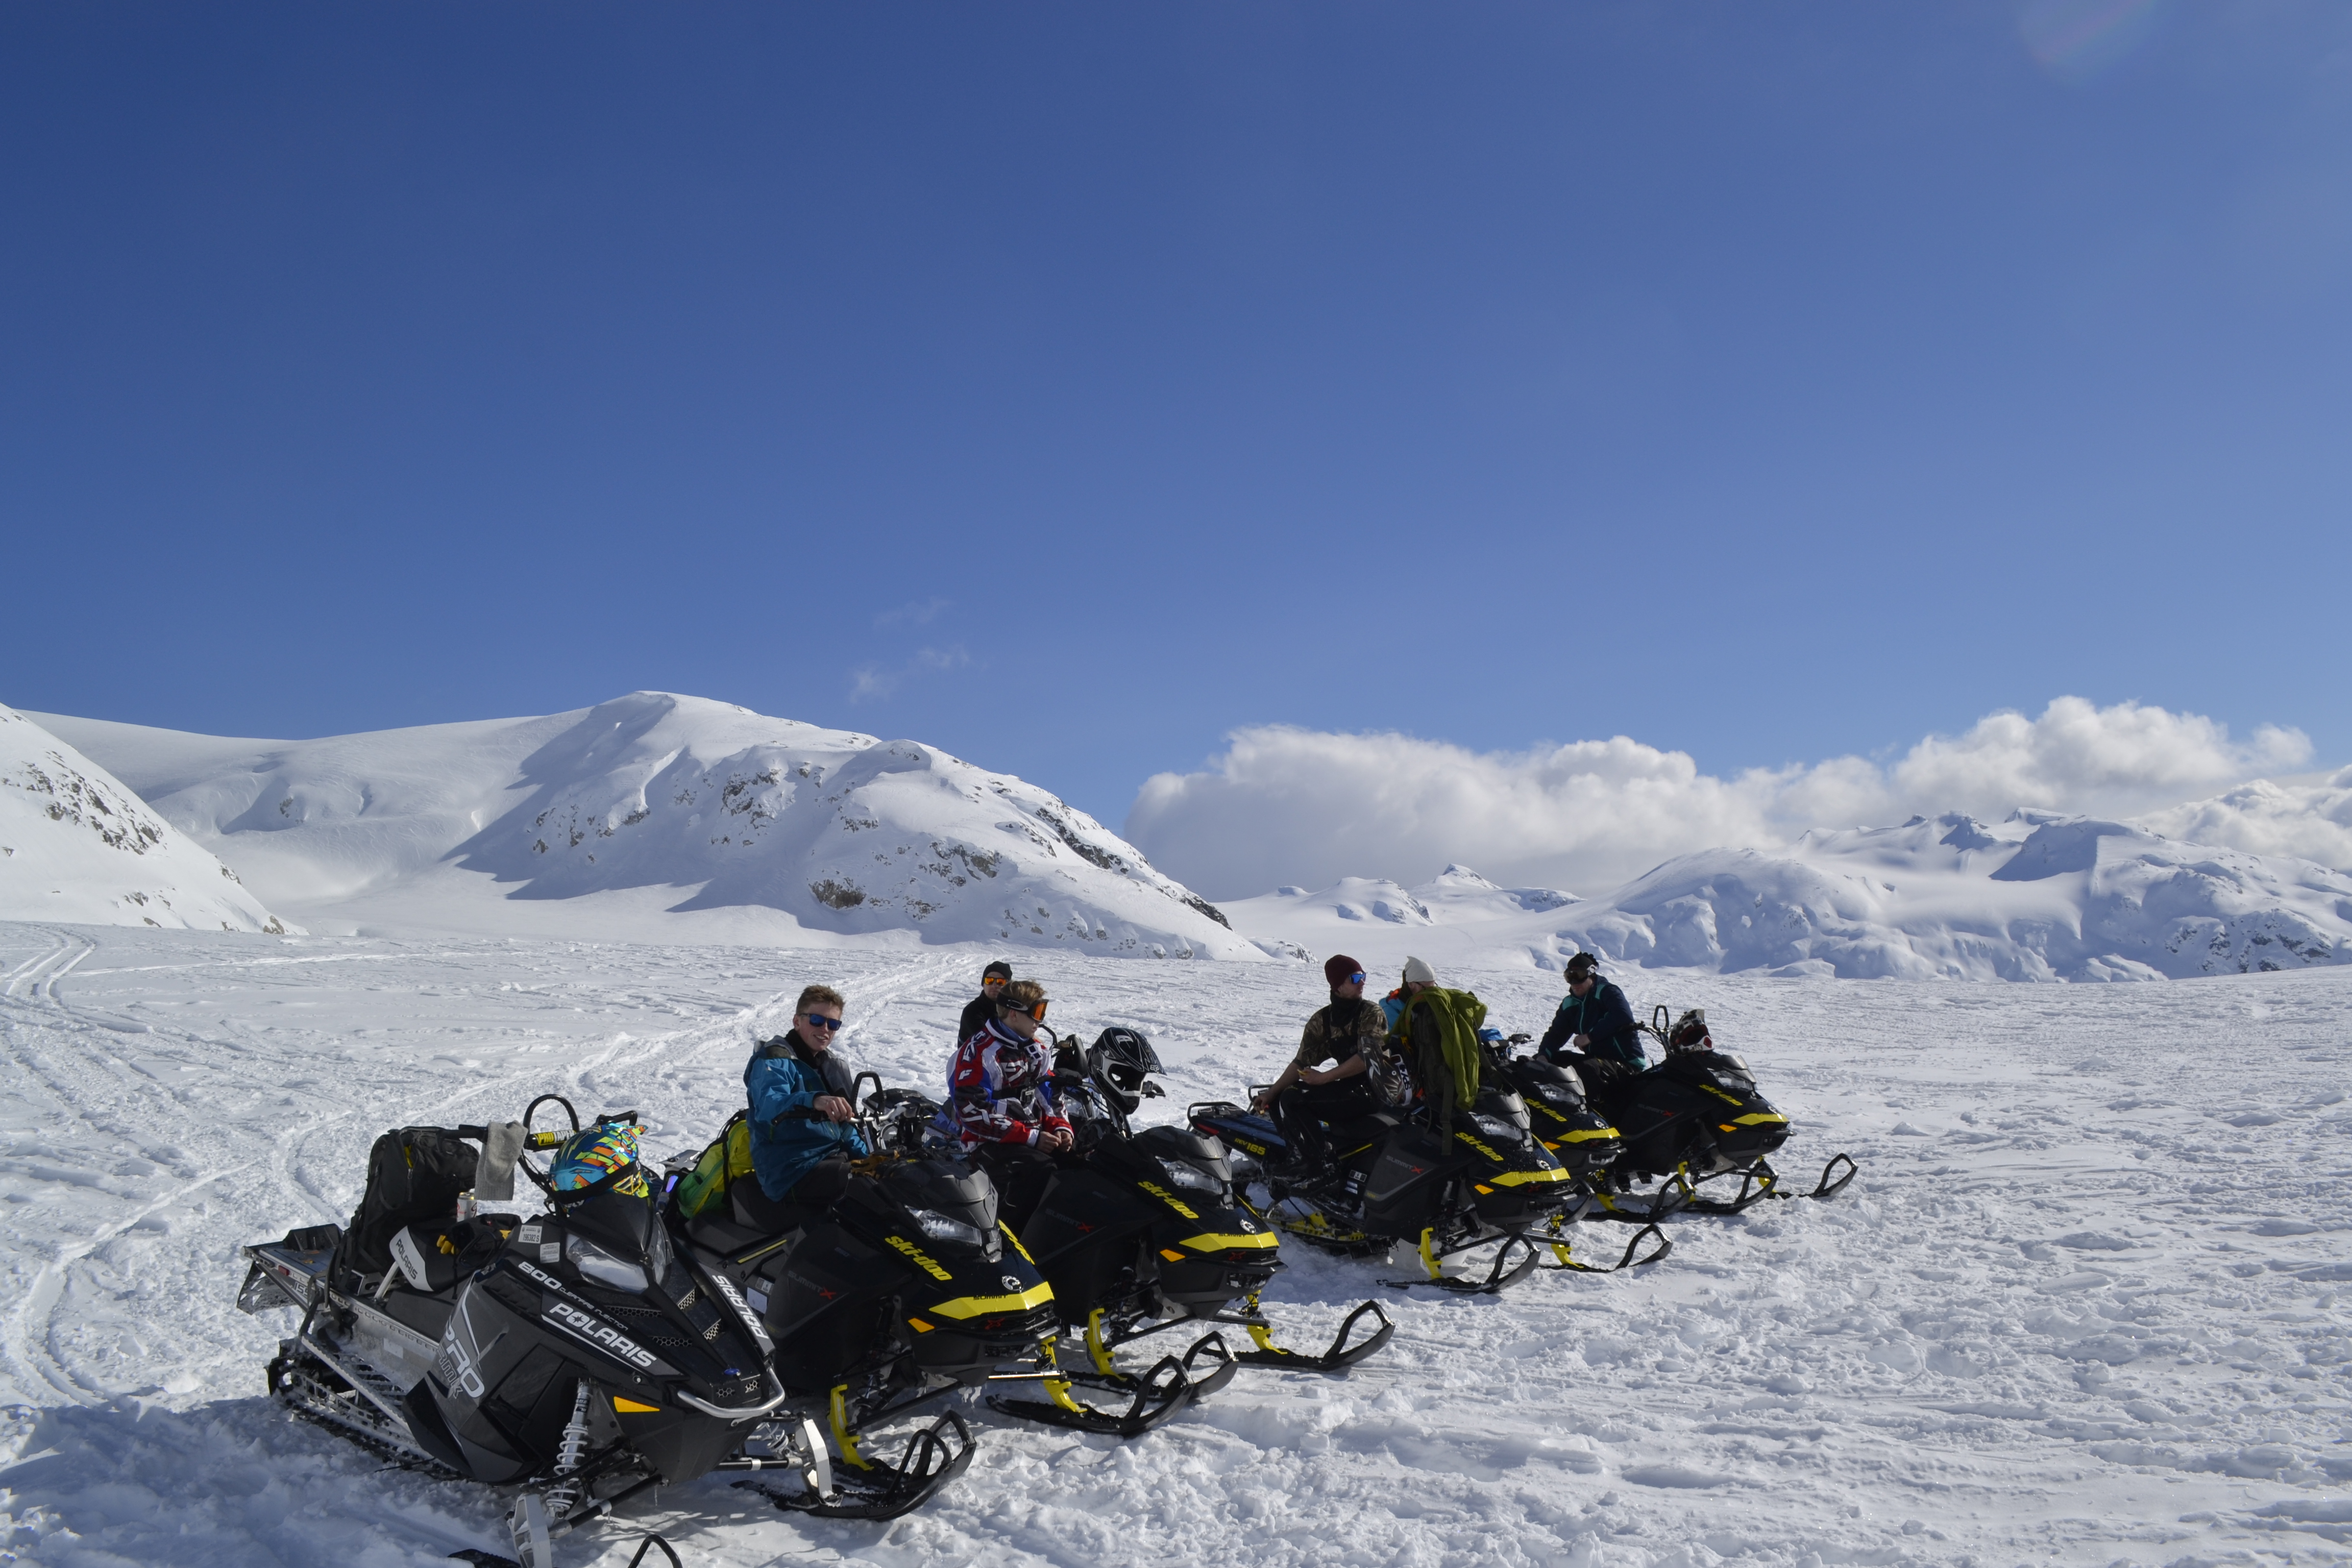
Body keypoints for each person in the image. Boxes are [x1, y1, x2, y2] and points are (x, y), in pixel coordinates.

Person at [740, 984, 870, 1233]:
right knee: (863, 1188)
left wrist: (870, 1158)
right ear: (797, 1021)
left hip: (830, 1157)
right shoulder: (775, 1060)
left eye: (833, 1024)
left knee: (888, 1180)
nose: (825, 1030)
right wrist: (814, 1100)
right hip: (791, 1168)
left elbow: (845, 1125)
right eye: (817, 1020)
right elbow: (769, 1104)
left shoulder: (832, 1066)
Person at [945, 977, 1072, 1229]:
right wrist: (1031, 1137)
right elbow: (972, 1111)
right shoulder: (980, 1052)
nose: (1040, 1021)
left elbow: (1050, 1095)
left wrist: (1060, 1127)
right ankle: (1014, 1237)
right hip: (988, 1142)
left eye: (1043, 1012)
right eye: (1036, 1012)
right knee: (1040, 1171)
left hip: (1031, 1135)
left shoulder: (1036, 1050)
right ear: (1014, 1014)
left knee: (1079, 1164)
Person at [1253, 954, 1401, 1154]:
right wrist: (1272, 1093)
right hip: (1348, 1089)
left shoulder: (1371, 1013)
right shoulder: (1323, 1020)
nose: (1362, 983)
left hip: (1374, 1091)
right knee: (1284, 1096)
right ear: (1338, 986)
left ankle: (1319, 1163)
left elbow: (1368, 1058)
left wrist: (1324, 1078)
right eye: (1355, 978)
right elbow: (1301, 1062)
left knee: (1293, 1099)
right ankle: (1297, 1154)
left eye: (1363, 976)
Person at [1385, 956, 1487, 1135]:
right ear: (1411, 984)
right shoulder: (1396, 1008)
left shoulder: (1436, 1003)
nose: (1432, 992)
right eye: (1427, 987)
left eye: (1434, 986)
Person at [1538, 952, 1643, 1066]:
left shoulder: (1607, 992)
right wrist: (1544, 1055)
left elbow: (1622, 1015)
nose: (1575, 982)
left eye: (1580, 975)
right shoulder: (1570, 1003)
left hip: (1625, 1062)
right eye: (1569, 977)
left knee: (1583, 1069)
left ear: (1591, 975)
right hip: (1595, 1059)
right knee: (1547, 1063)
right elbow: (1557, 1033)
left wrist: (1590, 1037)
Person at [956, 960, 1012, 1047]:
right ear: (983, 984)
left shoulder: (1013, 1009)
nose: (994, 986)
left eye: (1001, 982)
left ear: (1008, 987)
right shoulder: (972, 1011)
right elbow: (991, 1045)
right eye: (989, 981)